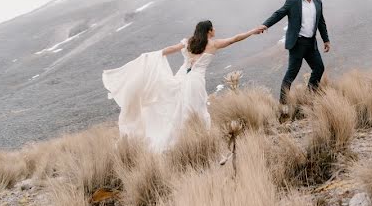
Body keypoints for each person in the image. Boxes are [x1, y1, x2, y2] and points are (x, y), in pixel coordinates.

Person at [101, 20, 265, 152]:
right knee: (196, 109)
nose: (215, 30)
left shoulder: (188, 43)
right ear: (209, 30)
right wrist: (252, 31)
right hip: (195, 81)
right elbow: (235, 38)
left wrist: (150, 57)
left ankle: (185, 139)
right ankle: (194, 139)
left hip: (181, 77)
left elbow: (168, 50)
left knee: (179, 108)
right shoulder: (213, 44)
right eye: (213, 28)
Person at [260, 0, 331, 105]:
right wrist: (265, 25)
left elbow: (321, 22)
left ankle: (310, 96)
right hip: (297, 44)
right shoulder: (292, 2)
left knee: (319, 68)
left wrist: (326, 40)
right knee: (291, 75)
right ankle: (283, 105)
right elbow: (278, 14)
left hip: (311, 44)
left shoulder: (318, 3)